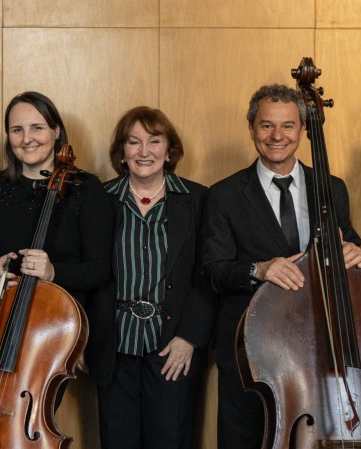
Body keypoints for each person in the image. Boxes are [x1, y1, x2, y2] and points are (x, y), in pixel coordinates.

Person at [201, 84, 361, 448]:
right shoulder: (224, 194)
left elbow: (346, 243)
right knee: (247, 437)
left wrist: (353, 252)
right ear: (251, 128)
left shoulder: (332, 188)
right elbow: (212, 270)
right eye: (266, 126)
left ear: (303, 130)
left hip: (319, 341)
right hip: (252, 347)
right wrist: (257, 270)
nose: (277, 136)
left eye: (288, 126)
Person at [0, 91, 113, 405]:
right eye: (17, 130)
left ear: (57, 131)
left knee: (31, 417)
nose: (27, 139)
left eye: (37, 128)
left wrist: (53, 271)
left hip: (51, 332)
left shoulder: (86, 190)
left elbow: (99, 269)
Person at [84, 106, 216, 449]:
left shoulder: (198, 199)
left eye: (154, 141)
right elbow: (86, 271)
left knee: (170, 441)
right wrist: (81, 339)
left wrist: (189, 337)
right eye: (134, 142)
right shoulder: (98, 199)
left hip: (172, 347)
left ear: (169, 149)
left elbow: (208, 276)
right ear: (121, 152)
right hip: (114, 346)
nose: (144, 151)